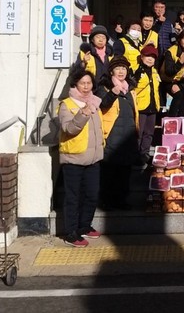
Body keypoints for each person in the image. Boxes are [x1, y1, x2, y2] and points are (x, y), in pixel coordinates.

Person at [57, 68, 104, 247]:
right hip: (74, 158)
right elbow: (69, 129)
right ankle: (71, 232)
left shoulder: (94, 102)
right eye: (82, 83)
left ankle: (85, 226)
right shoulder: (66, 104)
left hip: (93, 158)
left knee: (92, 194)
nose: (86, 86)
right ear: (75, 85)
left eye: (89, 83)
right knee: (73, 197)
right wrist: (83, 113)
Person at [97, 56, 139, 210]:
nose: (121, 71)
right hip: (112, 134)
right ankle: (107, 201)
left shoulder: (130, 90)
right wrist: (113, 93)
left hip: (128, 136)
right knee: (110, 171)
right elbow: (103, 105)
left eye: (124, 68)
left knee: (125, 171)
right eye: (117, 68)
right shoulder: (105, 87)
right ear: (111, 71)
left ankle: (122, 200)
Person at [133, 44, 161, 166]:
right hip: (140, 106)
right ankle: (135, 155)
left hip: (152, 107)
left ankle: (144, 154)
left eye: (153, 57)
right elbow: (133, 88)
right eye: (148, 56)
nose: (150, 59)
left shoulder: (154, 72)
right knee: (139, 133)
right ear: (142, 57)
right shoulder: (137, 70)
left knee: (149, 133)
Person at [160, 29, 184, 117]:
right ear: (180, 40)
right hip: (168, 81)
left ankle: (183, 118)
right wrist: (180, 62)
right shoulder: (171, 51)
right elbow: (168, 72)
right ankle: (172, 118)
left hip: (182, 81)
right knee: (178, 94)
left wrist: (181, 85)